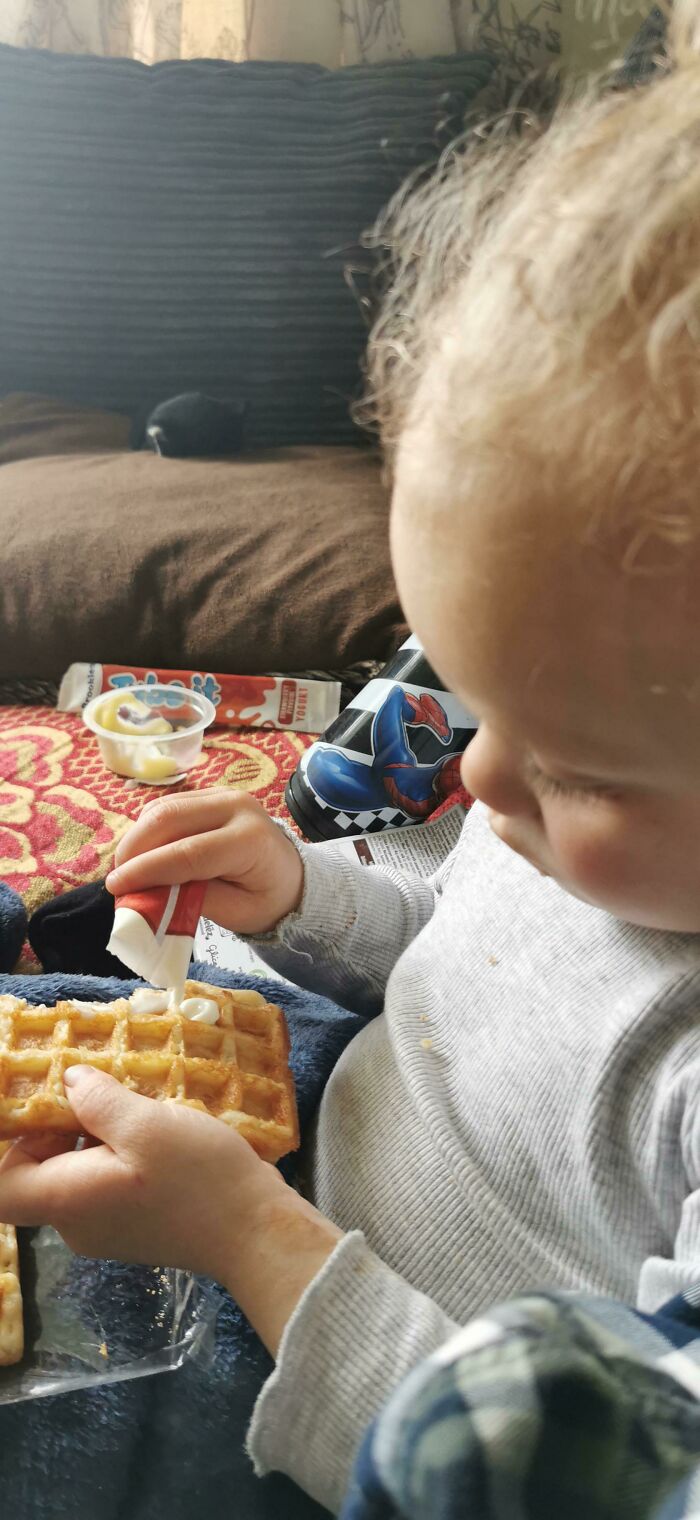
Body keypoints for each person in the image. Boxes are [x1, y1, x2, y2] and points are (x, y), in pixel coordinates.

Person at [5, 5, 700, 1513]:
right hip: (323, 1114)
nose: (482, 786)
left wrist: (254, 1243)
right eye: (482, 704)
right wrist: (297, 895)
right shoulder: (617, 808)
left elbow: (604, 1488)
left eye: (579, 768)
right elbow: (452, 960)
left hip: (350, 1397)